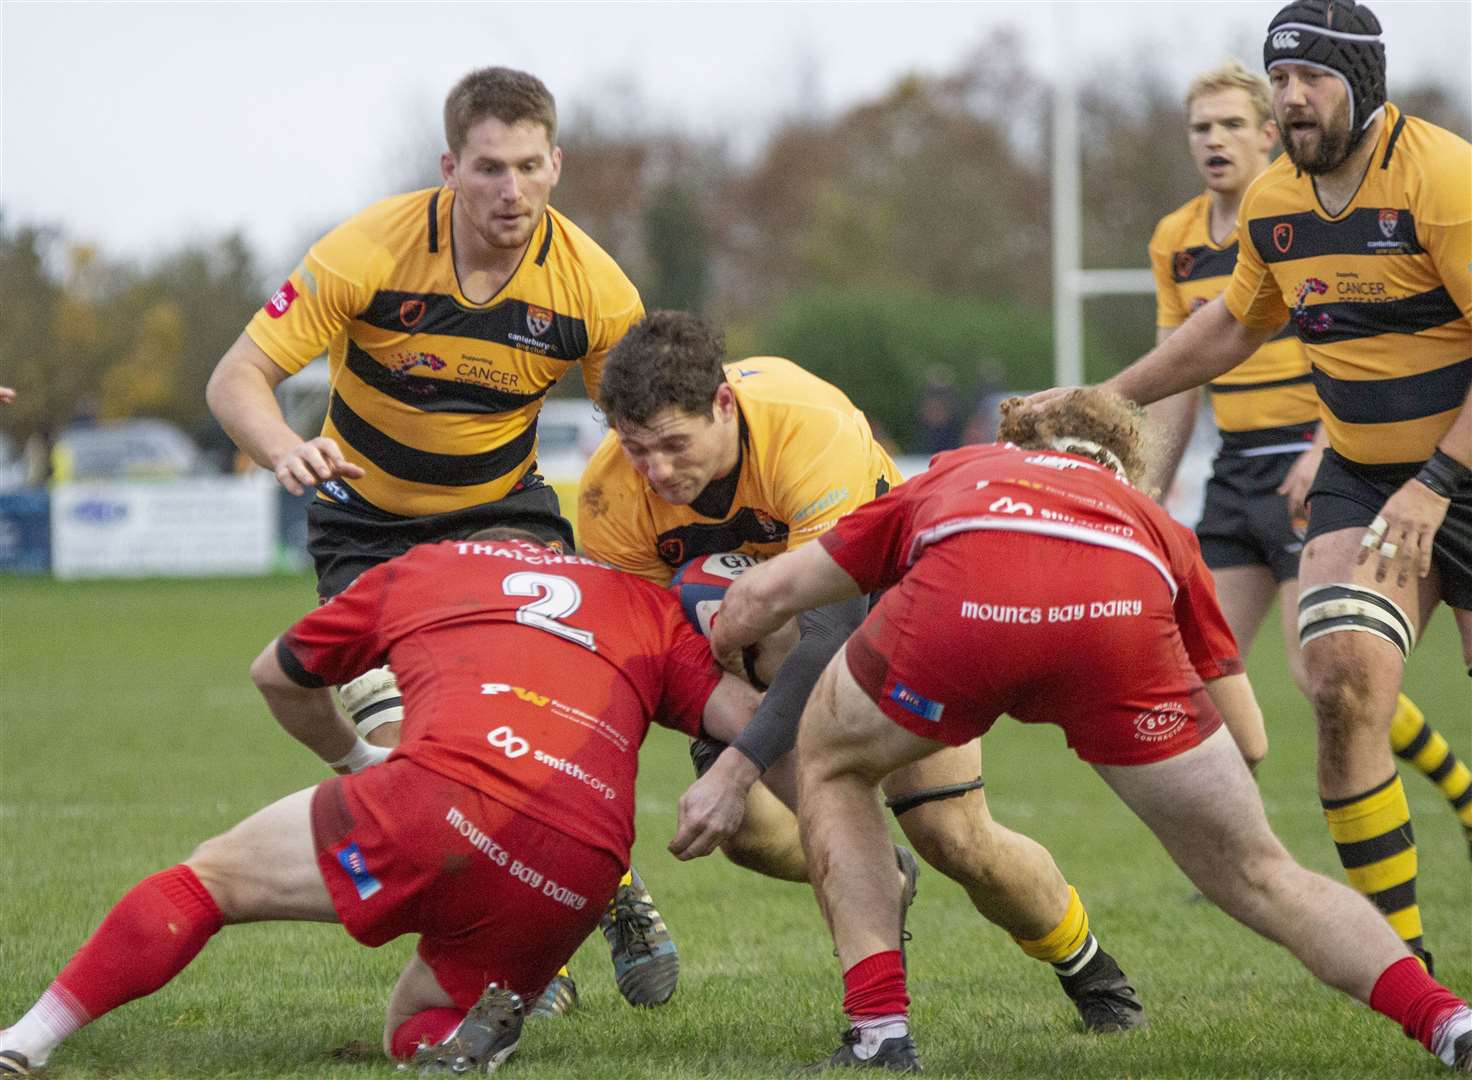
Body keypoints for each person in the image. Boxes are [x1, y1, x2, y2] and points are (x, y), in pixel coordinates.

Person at [708, 390, 1472, 1073]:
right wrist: (1193, 780)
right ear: (1122, 464)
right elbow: (1250, 732)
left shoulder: (961, 469)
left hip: (958, 621)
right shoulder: (1156, 523)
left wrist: (723, 647)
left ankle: (879, 1033)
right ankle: (1445, 1018)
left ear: (1022, 444)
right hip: (1115, 625)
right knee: (1263, 874)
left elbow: (773, 591)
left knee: (834, 768)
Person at [205, 67, 669, 1011]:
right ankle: (547, 940)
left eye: (531, 168)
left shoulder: (590, 283)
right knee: (420, 743)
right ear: (450, 166)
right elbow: (236, 377)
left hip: (502, 515)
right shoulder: (368, 250)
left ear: (557, 163)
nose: (512, 192)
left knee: (532, 721)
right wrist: (285, 448)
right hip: (364, 530)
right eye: (490, 169)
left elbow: (653, 423)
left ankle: (600, 897)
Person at [1035, 0, 1471, 969]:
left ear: (1359, 81)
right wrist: (1098, 395)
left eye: (1308, 78)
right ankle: (1401, 967)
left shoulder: (1440, 176)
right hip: (1360, 473)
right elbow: (1230, 328)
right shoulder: (1276, 206)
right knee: (1337, 680)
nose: (1289, 98)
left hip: (1459, 469)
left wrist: (1438, 480)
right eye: (1277, 80)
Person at [0, 531, 765, 1077]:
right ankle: (462, 1045)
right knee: (416, 1018)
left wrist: (357, 760)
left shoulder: (425, 567)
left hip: (440, 802)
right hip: (582, 871)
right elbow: (754, 722)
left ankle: (26, 1041)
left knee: (210, 881)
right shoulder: (639, 604)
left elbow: (276, 676)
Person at [580, 310, 1149, 1035]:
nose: (656, 471)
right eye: (636, 450)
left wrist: (735, 768)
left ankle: (1091, 971)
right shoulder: (609, 492)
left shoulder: (804, 423)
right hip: (742, 658)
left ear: (722, 405)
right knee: (749, 836)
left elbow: (832, 625)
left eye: (672, 445)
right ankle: (880, 876)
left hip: (894, 613)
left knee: (954, 835)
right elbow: (650, 647)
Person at [1146, 59, 1471, 844]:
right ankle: (1245, 846)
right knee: (1207, 668)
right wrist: (1146, 489)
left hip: (1320, 461)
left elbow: (1369, 351)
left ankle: (1458, 792)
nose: (1214, 141)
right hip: (1236, 474)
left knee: (1321, 669)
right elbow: (1186, 369)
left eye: (1231, 125)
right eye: (1200, 127)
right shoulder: (1179, 240)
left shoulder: (1331, 209)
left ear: (1268, 134)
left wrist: (1326, 446)